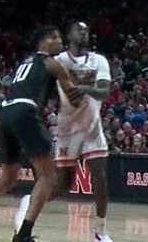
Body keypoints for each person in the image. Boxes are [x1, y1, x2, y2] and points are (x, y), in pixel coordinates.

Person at [0, 26, 83, 242]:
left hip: (6, 112)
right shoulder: (51, 63)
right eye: (53, 37)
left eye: (59, 37)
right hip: (25, 111)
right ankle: (24, 235)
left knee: (8, 178)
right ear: (41, 43)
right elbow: (73, 97)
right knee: (48, 176)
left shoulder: (26, 63)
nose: (59, 41)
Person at [46, 22, 113, 242]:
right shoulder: (60, 61)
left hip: (93, 126)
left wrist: (83, 89)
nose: (84, 33)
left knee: (100, 177)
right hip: (67, 127)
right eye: (79, 29)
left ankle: (100, 232)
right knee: (63, 184)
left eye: (86, 30)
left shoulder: (99, 60)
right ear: (69, 35)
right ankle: (30, 202)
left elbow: (103, 91)